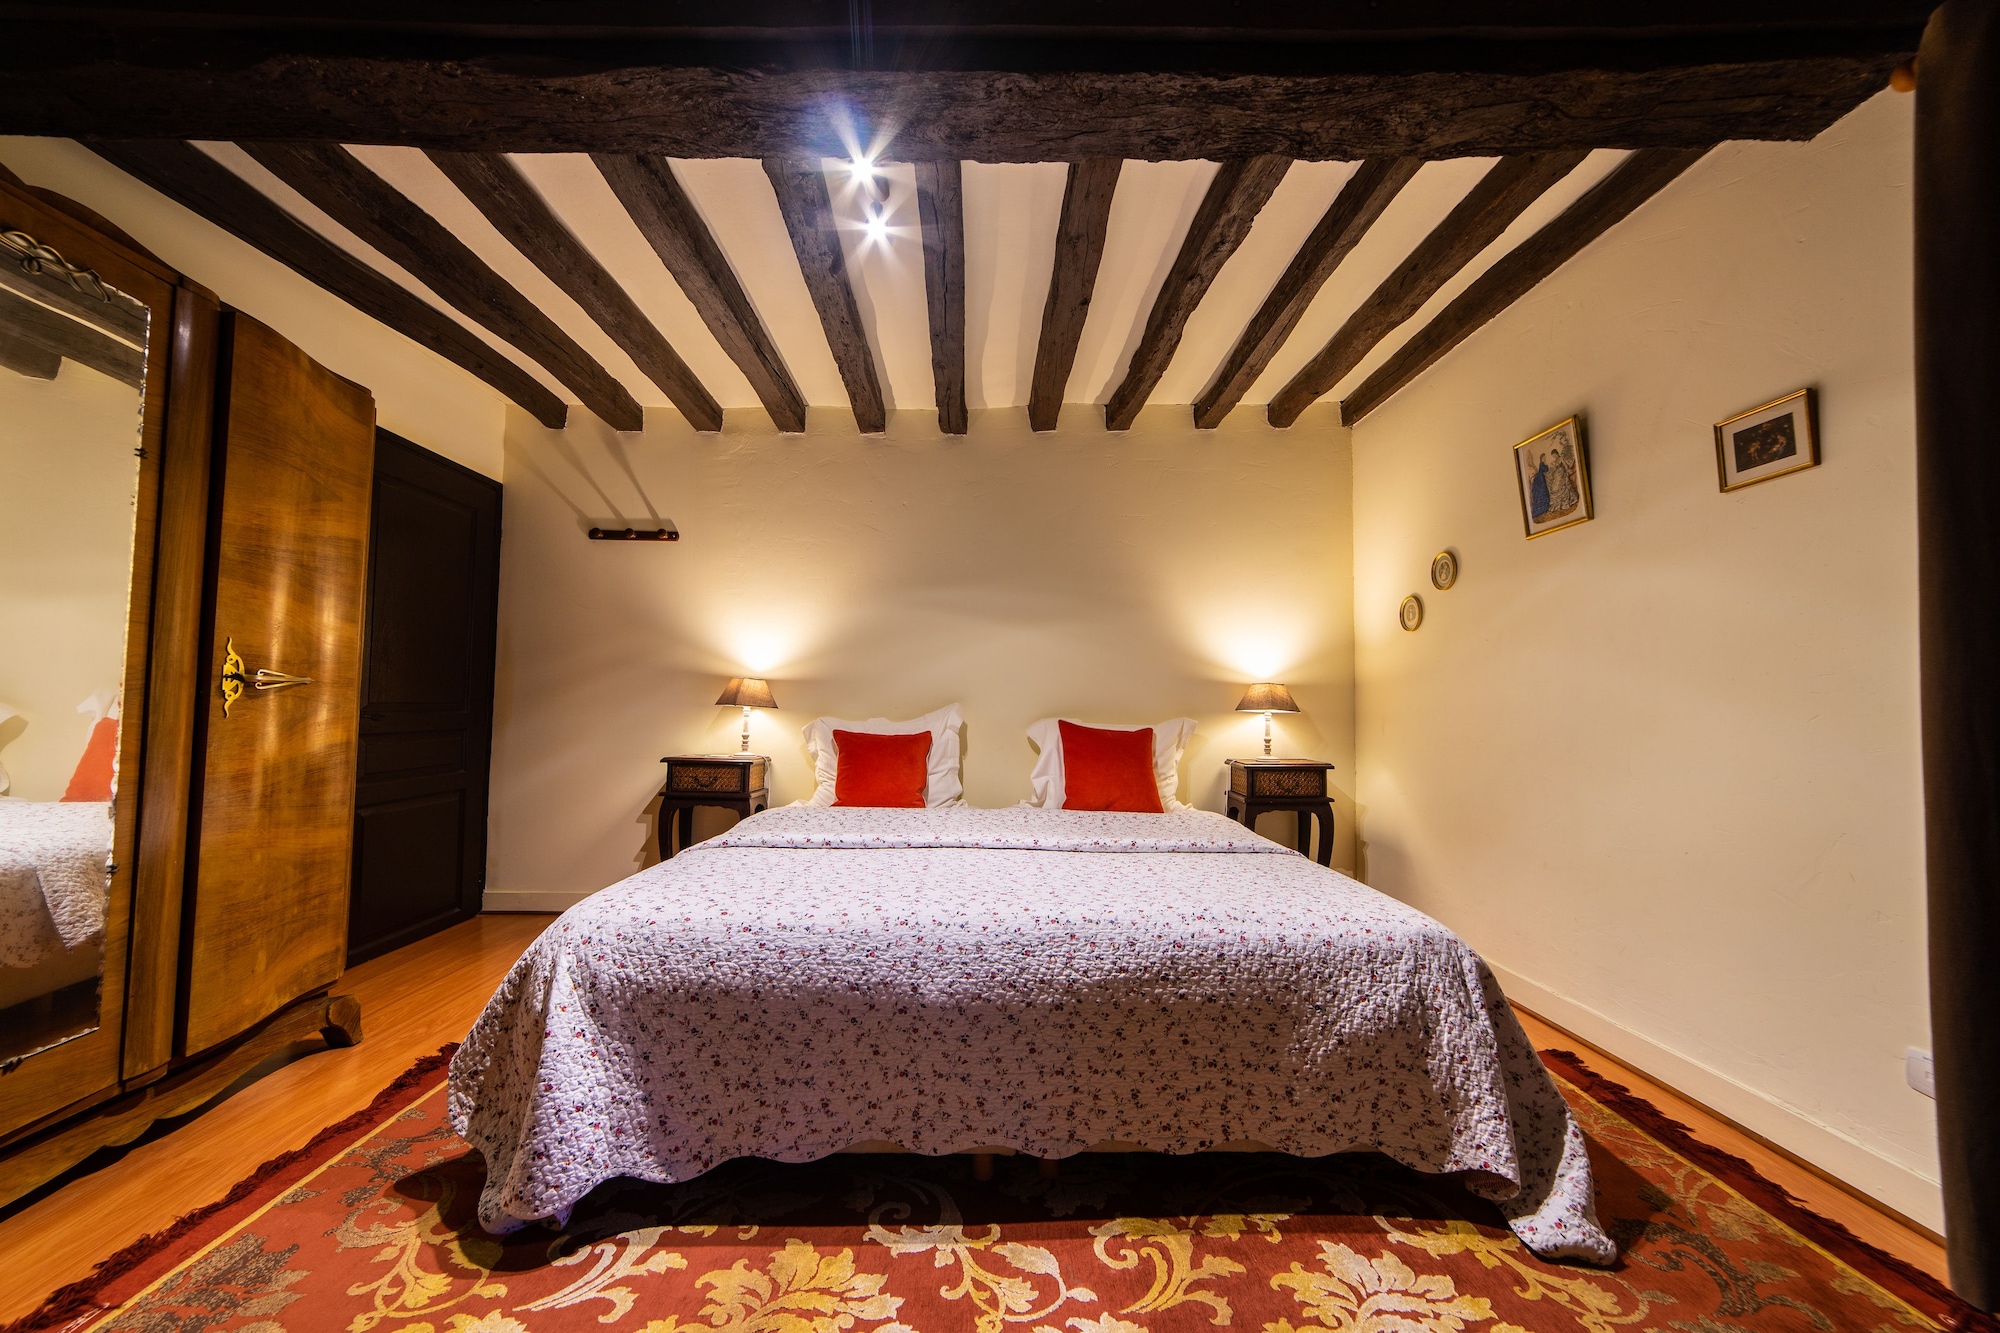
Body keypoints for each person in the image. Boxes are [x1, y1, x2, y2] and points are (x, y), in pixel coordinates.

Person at [1529, 452, 1551, 520]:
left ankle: (1544, 508)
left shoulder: (1542, 464)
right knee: (1542, 492)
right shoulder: (1542, 464)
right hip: (1540, 480)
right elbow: (1546, 469)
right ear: (1541, 459)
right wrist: (1546, 464)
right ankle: (1542, 509)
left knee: (1543, 492)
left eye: (1545, 458)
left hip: (1541, 478)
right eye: (1543, 458)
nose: (1544, 459)